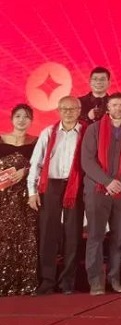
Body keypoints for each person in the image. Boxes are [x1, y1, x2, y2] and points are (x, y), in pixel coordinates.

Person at [27, 96, 84, 296]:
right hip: (50, 185)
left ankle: (67, 281)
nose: (68, 112)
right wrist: (32, 192)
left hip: (75, 185)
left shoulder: (86, 132)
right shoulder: (48, 132)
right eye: (64, 109)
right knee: (48, 233)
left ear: (79, 111)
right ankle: (47, 281)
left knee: (73, 234)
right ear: (58, 111)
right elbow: (36, 163)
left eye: (72, 109)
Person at [81, 92, 121, 295]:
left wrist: (120, 182)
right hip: (97, 188)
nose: (118, 108)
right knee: (96, 235)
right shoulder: (94, 129)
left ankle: (114, 278)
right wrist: (107, 181)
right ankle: (95, 281)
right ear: (108, 107)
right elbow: (87, 161)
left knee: (119, 237)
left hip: (120, 189)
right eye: (114, 105)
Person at [0, 104, 38, 296]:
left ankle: (25, 281)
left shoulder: (36, 141)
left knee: (25, 236)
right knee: (4, 236)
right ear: (12, 119)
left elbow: (41, 165)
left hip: (25, 195)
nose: (22, 120)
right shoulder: (1, 139)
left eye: (26, 117)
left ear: (31, 120)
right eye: (18, 116)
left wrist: (25, 171)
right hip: (3, 195)